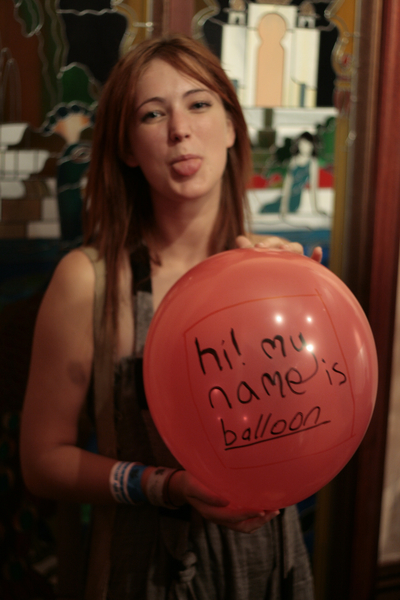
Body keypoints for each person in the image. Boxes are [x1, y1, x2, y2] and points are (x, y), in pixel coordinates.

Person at [20, 34, 320, 600]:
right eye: (152, 114)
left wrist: (313, 305)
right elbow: (41, 461)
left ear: (233, 127)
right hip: (144, 570)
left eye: (199, 103)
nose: (180, 128)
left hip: (270, 564)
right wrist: (168, 485)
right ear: (129, 148)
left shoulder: (280, 275)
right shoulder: (89, 281)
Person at [260, 131, 322, 217]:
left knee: (265, 210)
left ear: (312, 145)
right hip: (285, 199)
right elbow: (287, 185)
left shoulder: (312, 163)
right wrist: (283, 207)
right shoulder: (293, 161)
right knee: (263, 209)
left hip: (294, 202)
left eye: (307, 144)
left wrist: (316, 209)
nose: (304, 147)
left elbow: (313, 187)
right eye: (302, 144)